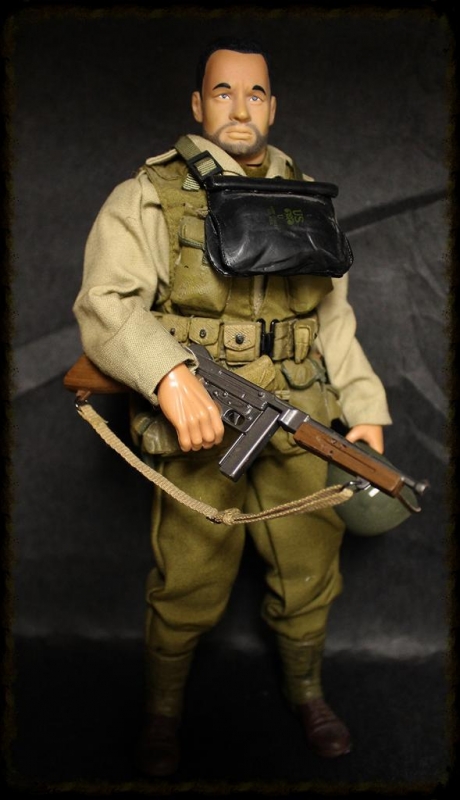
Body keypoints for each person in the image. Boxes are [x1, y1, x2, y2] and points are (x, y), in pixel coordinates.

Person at [73, 36, 392, 777]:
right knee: (189, 576)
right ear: (197, 103)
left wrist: (364, 407)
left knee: (310, 569)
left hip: (302, 419)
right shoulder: (151, 194)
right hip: (205, 417)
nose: (240, 108)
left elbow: (333, 321)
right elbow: (106, 302)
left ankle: (307, 691)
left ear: (273, 106)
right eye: (223, 91)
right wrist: (168, 376)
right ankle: (163, 711)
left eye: (255, 93)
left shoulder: (309, 201)